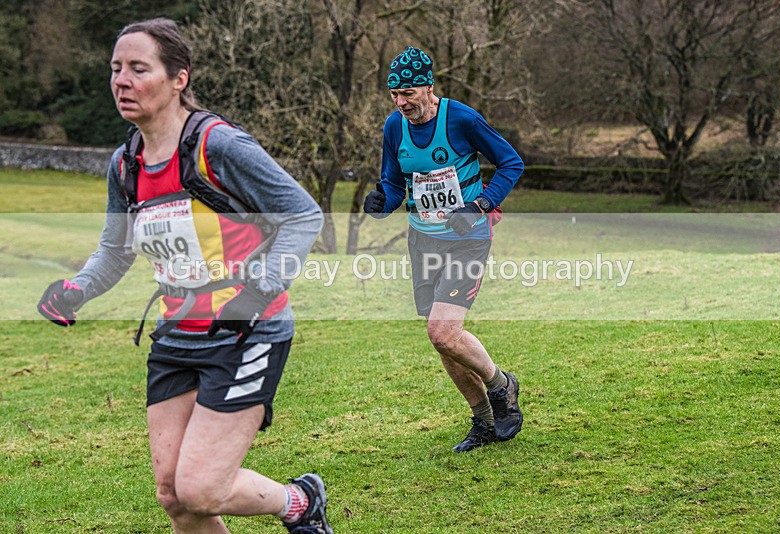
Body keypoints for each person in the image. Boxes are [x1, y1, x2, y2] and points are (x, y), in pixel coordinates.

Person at [36, 18, 332, 534]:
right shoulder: (125, 163)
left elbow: (303, 215)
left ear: (178, 79)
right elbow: (114, 249)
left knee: (202, 488)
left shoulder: (218, 146)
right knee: (174, 496)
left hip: (246, 331)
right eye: (115, 69)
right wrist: (75, 290)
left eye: (138, 69)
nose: (121, 81)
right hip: (177, 335)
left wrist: (259, 290)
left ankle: (299, 503)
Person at [364, 46, 524, 453]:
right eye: (394, 95)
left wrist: (482, 204)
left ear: (429, 86)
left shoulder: (461, 119)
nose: (401, 103)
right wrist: (383, 202)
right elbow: (395, 182)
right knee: (441, 338)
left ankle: (502, 385)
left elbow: (511, 163)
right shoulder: (394, 127)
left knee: (443, 330)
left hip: (467, 238)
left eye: (409, 93)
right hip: (423, 240)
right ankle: (484, 421)